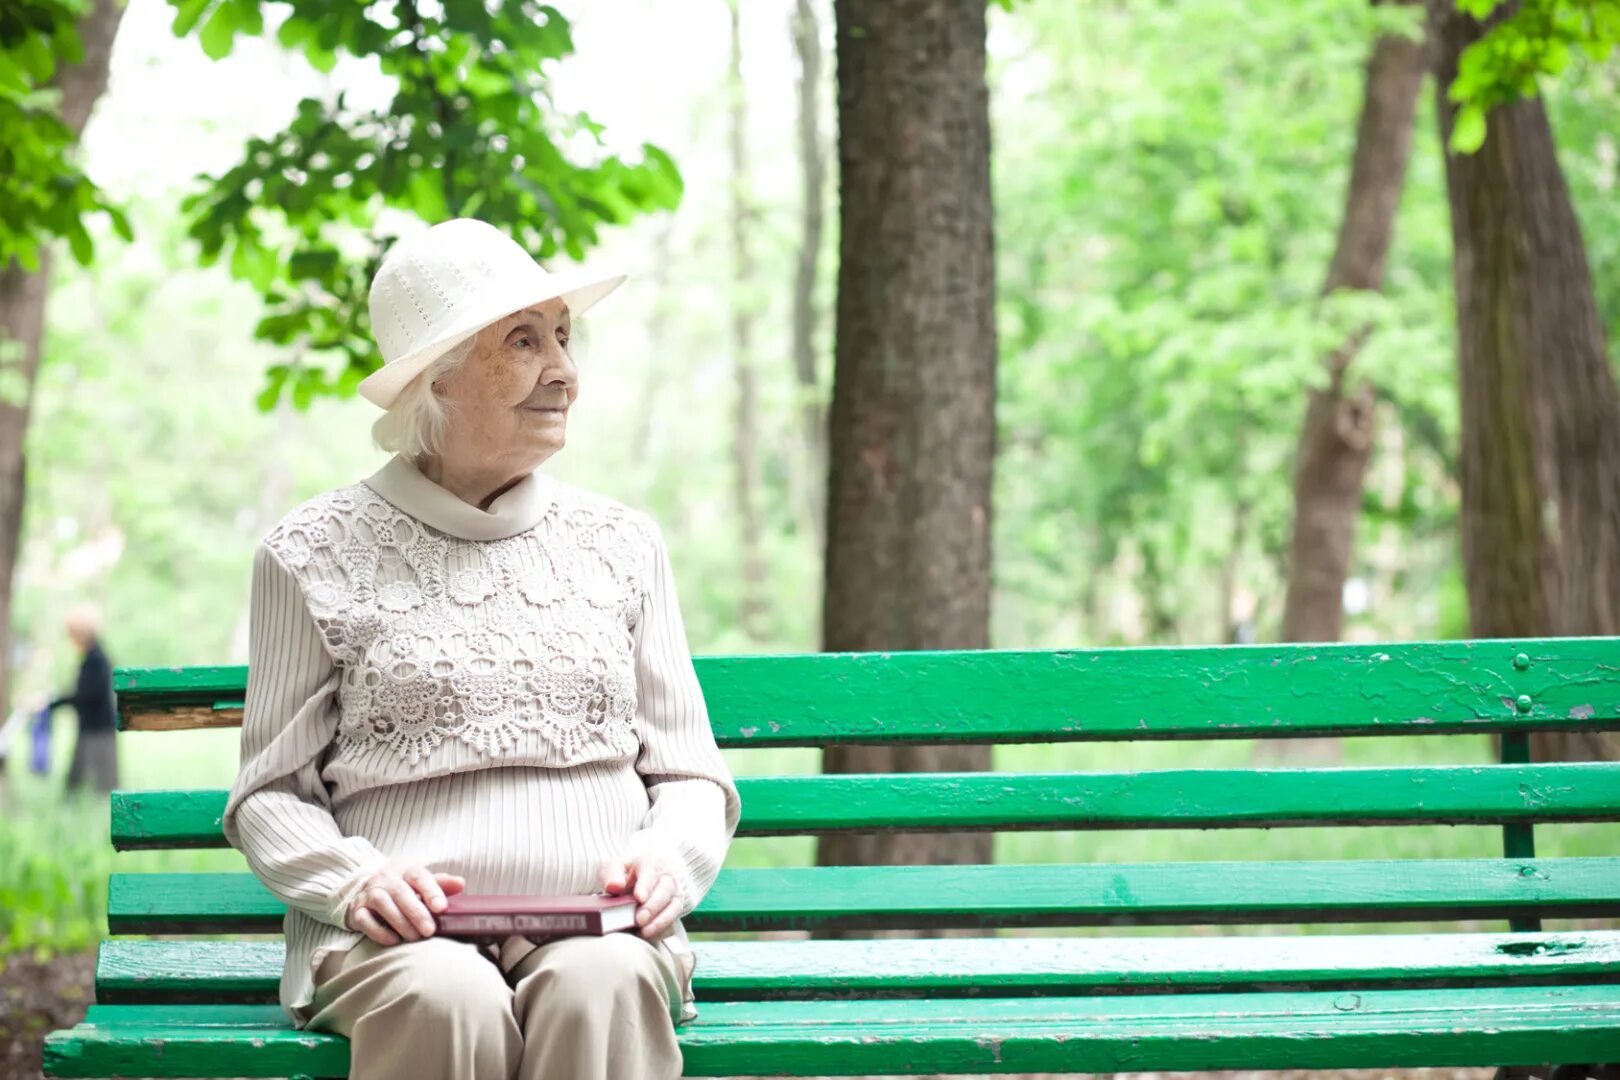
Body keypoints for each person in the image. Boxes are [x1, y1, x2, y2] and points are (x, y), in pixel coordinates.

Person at [223, 218, 741, 1080]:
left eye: (565, 339)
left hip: (601, 929)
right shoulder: (309, 551)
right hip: (396, 943)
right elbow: (269, 794)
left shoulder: (622, 543)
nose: (566, 373)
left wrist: (668, 860)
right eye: (525, 340)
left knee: (602, 983)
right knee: (445, 997)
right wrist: (353, 883)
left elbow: (689, 773)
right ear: (438, 375)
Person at [46, 604, 119, 794]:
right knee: (74, 784)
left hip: (98, 731)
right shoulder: (91, 658)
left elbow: (86, 696)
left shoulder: (96, 660)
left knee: (104, 788)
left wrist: (52, 702)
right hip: (90, 728)